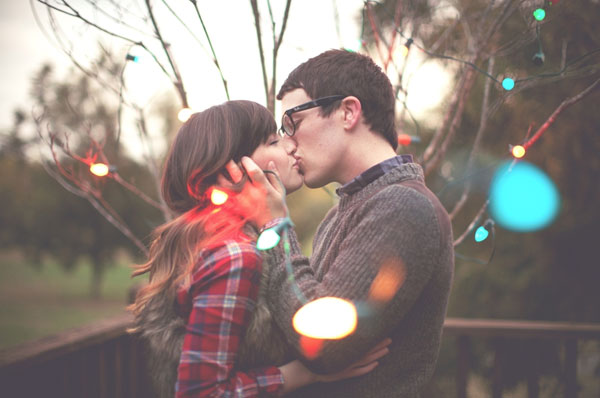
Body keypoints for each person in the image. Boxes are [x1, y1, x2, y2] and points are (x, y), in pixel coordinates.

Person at [128, 100, 390, 398]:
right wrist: (305, 373)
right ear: (234, 170)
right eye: (273, 141)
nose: (291, 147)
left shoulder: (216, 242)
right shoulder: (235, 256)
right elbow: (200, 393)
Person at [236, 49, 455, 397]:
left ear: (348, 111)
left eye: (294, 123)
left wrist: (276, 226)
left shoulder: (404, 206)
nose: (288, 144)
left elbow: (322, 344)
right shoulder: (345, 210)